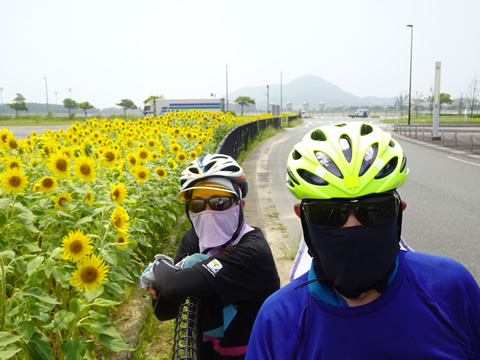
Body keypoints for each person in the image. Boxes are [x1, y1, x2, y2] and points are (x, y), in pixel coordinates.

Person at [246, 122, 480, 359]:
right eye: (328, 213)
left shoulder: (451, 289)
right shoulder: (278, 321)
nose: (352, 226)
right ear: (302, 217)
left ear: (399, 212)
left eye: (375, 210)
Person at [140, 153, 280, 359]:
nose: (208, 212)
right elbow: (164, 309)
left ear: (240, 205)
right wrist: (170, 280)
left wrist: (160, 264)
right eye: (197, 205)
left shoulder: (252, 252)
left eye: (220, 203)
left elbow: (171, 286)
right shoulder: (194, 239)